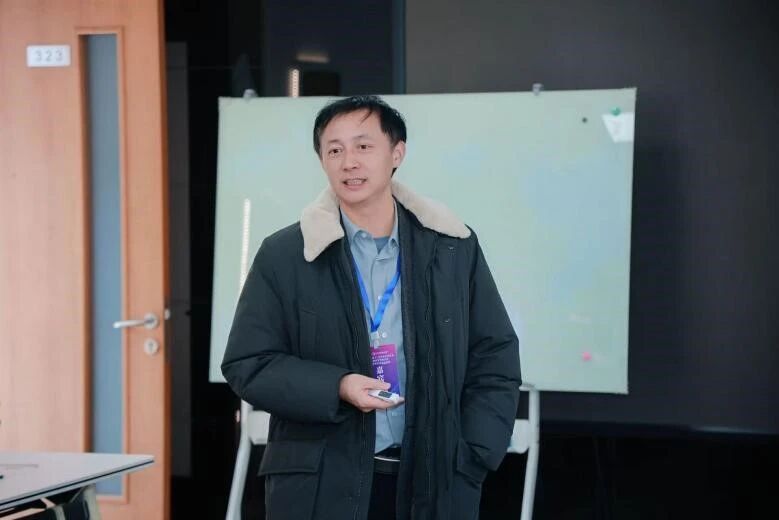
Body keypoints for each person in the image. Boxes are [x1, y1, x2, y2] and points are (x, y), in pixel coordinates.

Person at [221, 95, 521, 520]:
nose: (349, 162)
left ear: (396, 154)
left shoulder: (452, 247)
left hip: (434, 483)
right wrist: (338, 386)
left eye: (363, 146)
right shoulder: (286, 254)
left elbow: (495, 354)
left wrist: (473, 454)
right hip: (321, 484)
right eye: (334, 150)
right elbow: (248, 363)